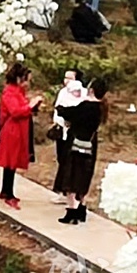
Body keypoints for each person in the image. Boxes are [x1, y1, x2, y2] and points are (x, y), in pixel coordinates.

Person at [54, 79, 109, 224]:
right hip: (90, 145)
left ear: (91, 90)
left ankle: (71, 210)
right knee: (84, 175)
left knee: (71, 176)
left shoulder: (86, 106)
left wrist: (59, 108)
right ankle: (81, 208)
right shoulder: (100, 108)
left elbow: (67, 113)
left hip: (76, 143)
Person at [0, 63, 43, 210]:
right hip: (12, 131)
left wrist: (33, 107)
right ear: (18, 78)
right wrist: (30, 105)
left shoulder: (18, 91)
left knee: (12, 163)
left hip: (19, 130)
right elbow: (15, 111)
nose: (27, 83)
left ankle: (7, 191)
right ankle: (8, 193)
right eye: (25, 79)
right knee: (10, 162)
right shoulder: (9, 92)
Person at [51, 72, 85, 204]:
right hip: (62, 131)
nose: (67, 80)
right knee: (62, 160)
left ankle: (66, 191)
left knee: (69, 161)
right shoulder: (63, 92)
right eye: (65, 77)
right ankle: (61, 190)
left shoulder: (83, 93)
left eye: (70, 78)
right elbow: (57, 109)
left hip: (74, 133)